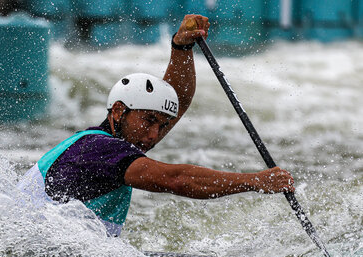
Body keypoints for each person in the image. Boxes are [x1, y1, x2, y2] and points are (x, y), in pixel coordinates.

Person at [17, 14, 295, 237]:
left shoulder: (111, 141)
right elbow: (176, 179)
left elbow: (178, 100)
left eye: (162, 126)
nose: (154, 135)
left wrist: (182, 49)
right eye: (149, 121)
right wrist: (255, 181)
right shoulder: (99, 148)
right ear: (118, 111)